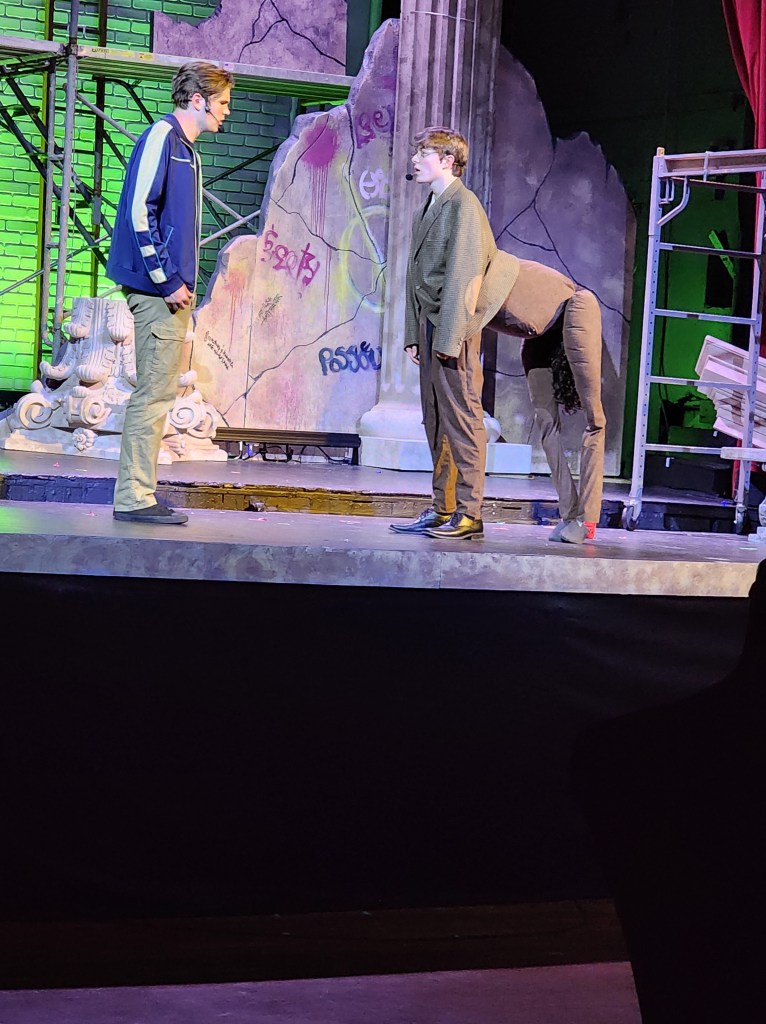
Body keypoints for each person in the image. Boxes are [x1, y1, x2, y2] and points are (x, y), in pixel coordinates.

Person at [106, 61, 233, 525]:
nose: (226, 112)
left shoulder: (186, 148)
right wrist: (167, 281)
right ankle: (134, 497)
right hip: (158, 290)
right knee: (154, 395)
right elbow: (139, 213)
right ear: (198, 99)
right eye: (222, 103)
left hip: (170, 290)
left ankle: (138, 493)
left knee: (159, 394)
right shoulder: (162, 137)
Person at [390, 126, 521, 540]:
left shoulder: (464, 206)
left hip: (453, 329)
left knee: (462, 419)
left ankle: (469, 513)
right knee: (436, 419)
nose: (415, 160)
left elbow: (465, 279)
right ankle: (442, 507)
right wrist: (413, 333)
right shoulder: (428, 207)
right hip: (431, 324)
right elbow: (414, 276)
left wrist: (448, 338)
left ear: (448, 160)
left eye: (423, 152)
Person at [485, 260, 606, 544]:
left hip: (576, 308)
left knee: (595, 420)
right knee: (546, 422)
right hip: (537, 334)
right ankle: (569, 513)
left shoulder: (476, 260)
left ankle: (587, 519)